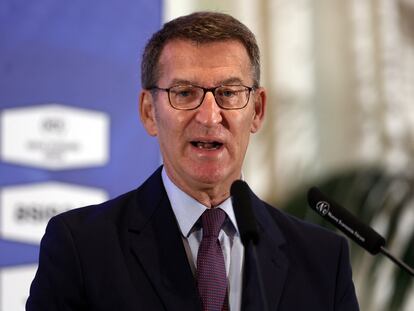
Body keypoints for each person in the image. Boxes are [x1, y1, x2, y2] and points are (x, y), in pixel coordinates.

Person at [26, 11, 359, 311]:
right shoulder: (82, 248)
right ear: (148, 112)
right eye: (185, 93)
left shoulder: (322, 260)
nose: (210, 116)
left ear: (257, 110)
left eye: (229, 93)